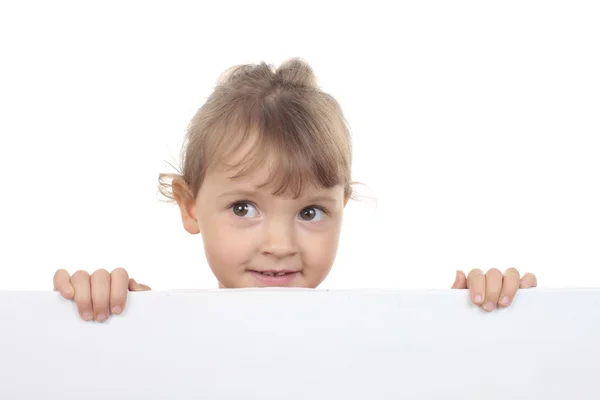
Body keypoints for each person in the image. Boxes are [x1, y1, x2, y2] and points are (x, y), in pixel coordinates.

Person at [52, 58, 537, 322]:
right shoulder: (149, 331)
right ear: (190, 204)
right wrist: (103, 316)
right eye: (244, 207)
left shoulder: (379, 335)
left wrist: (476, 319)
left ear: (341, 208)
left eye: (310, 212)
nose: (281, 245)